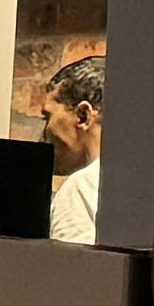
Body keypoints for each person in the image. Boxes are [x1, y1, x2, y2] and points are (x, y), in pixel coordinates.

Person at [39, 46, 105, 243]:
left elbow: (71, 263)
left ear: (83, 116)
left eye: (48, 117)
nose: (42, 135)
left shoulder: (81, 188)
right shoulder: (143, 184)